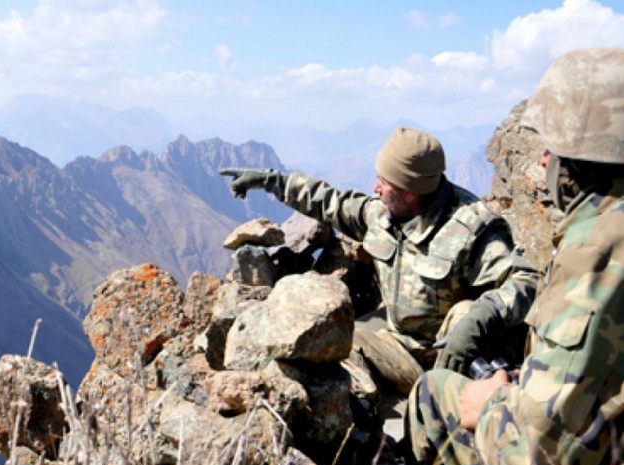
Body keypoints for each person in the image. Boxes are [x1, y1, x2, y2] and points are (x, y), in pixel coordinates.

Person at [405, 47, 624, 465]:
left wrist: (493, 403)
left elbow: (533, 458)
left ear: (577, 162)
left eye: (550, 151)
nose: (541, 166)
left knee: (434, 398)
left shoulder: (600, 254)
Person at [220, 128, 538, 394]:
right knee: (340, 346)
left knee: (466, 312)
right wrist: (270, 181)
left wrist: (479, 318)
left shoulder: (472, 228)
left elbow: (526, 281)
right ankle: (364, 430)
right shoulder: (384, 214)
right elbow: (330, 202)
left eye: (384, 183)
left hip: (458, 364)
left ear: (411, 192)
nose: (375, 188)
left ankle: (451, 419)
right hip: (404, 351)